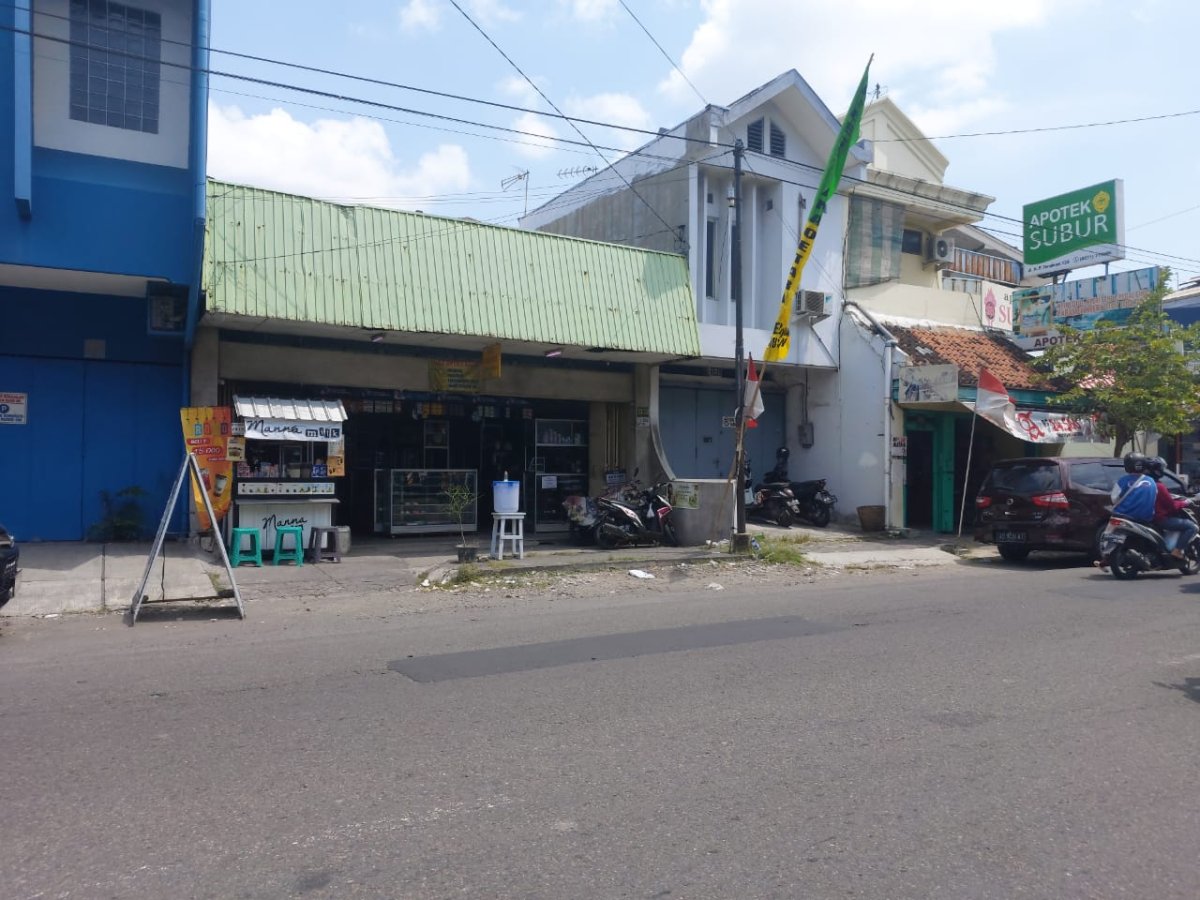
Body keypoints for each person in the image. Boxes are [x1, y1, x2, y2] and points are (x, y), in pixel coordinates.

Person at [1146, 456, 1198, 559]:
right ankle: (1177, 551)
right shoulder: (1159, 486)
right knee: (1192, 527)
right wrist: (1185, 502)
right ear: (1158, 470)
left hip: (1146, 517)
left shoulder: (1144, 483)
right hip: (1160, 519)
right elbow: (1172, 506)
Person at [1110, 452, 1157, 524]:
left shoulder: (1123, 481)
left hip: (1124, 518)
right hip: (1146, 520)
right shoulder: (1151, 481)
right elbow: (1154, 498)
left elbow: (1114, 499)